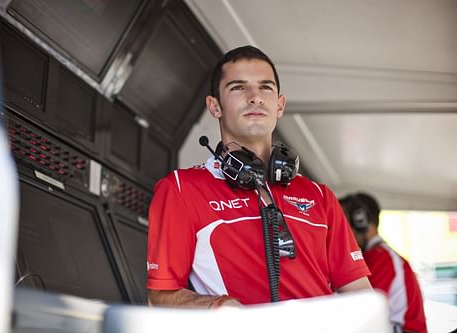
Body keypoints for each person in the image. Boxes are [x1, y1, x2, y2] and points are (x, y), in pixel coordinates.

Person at [146, 45, 372, 309]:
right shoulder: (181, 188)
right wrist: (216, 307)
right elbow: (160, 297)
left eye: (265, 87)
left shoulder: (320, 196)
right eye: (238, 87)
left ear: (280, 105)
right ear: (215, 106)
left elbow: (360, 295)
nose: (255, 97)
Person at [339, 193, 427, 333]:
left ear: (360, 221)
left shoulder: (381, 259)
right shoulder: (377, 256)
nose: (338, 231)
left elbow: (361, 310)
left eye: (342, 222)